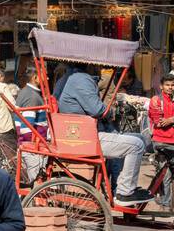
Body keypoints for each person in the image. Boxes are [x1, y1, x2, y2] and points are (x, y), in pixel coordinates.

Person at [58, 64, 149, 204]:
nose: (100, 67)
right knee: (136, 145)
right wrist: (112, 112)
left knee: (140, 138)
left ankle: (124, 186)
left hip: (87, 132)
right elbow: (97, 110)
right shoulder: (80, 79)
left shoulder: (72, 77)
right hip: (85, 137)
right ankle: (124, 191)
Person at [147, 71, 174, 147]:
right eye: (167, 85)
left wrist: (172, 119)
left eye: (172, 85)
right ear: (161, 86)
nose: (170, 87)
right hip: (159, 140)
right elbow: (159, 123)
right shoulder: (156, 99)